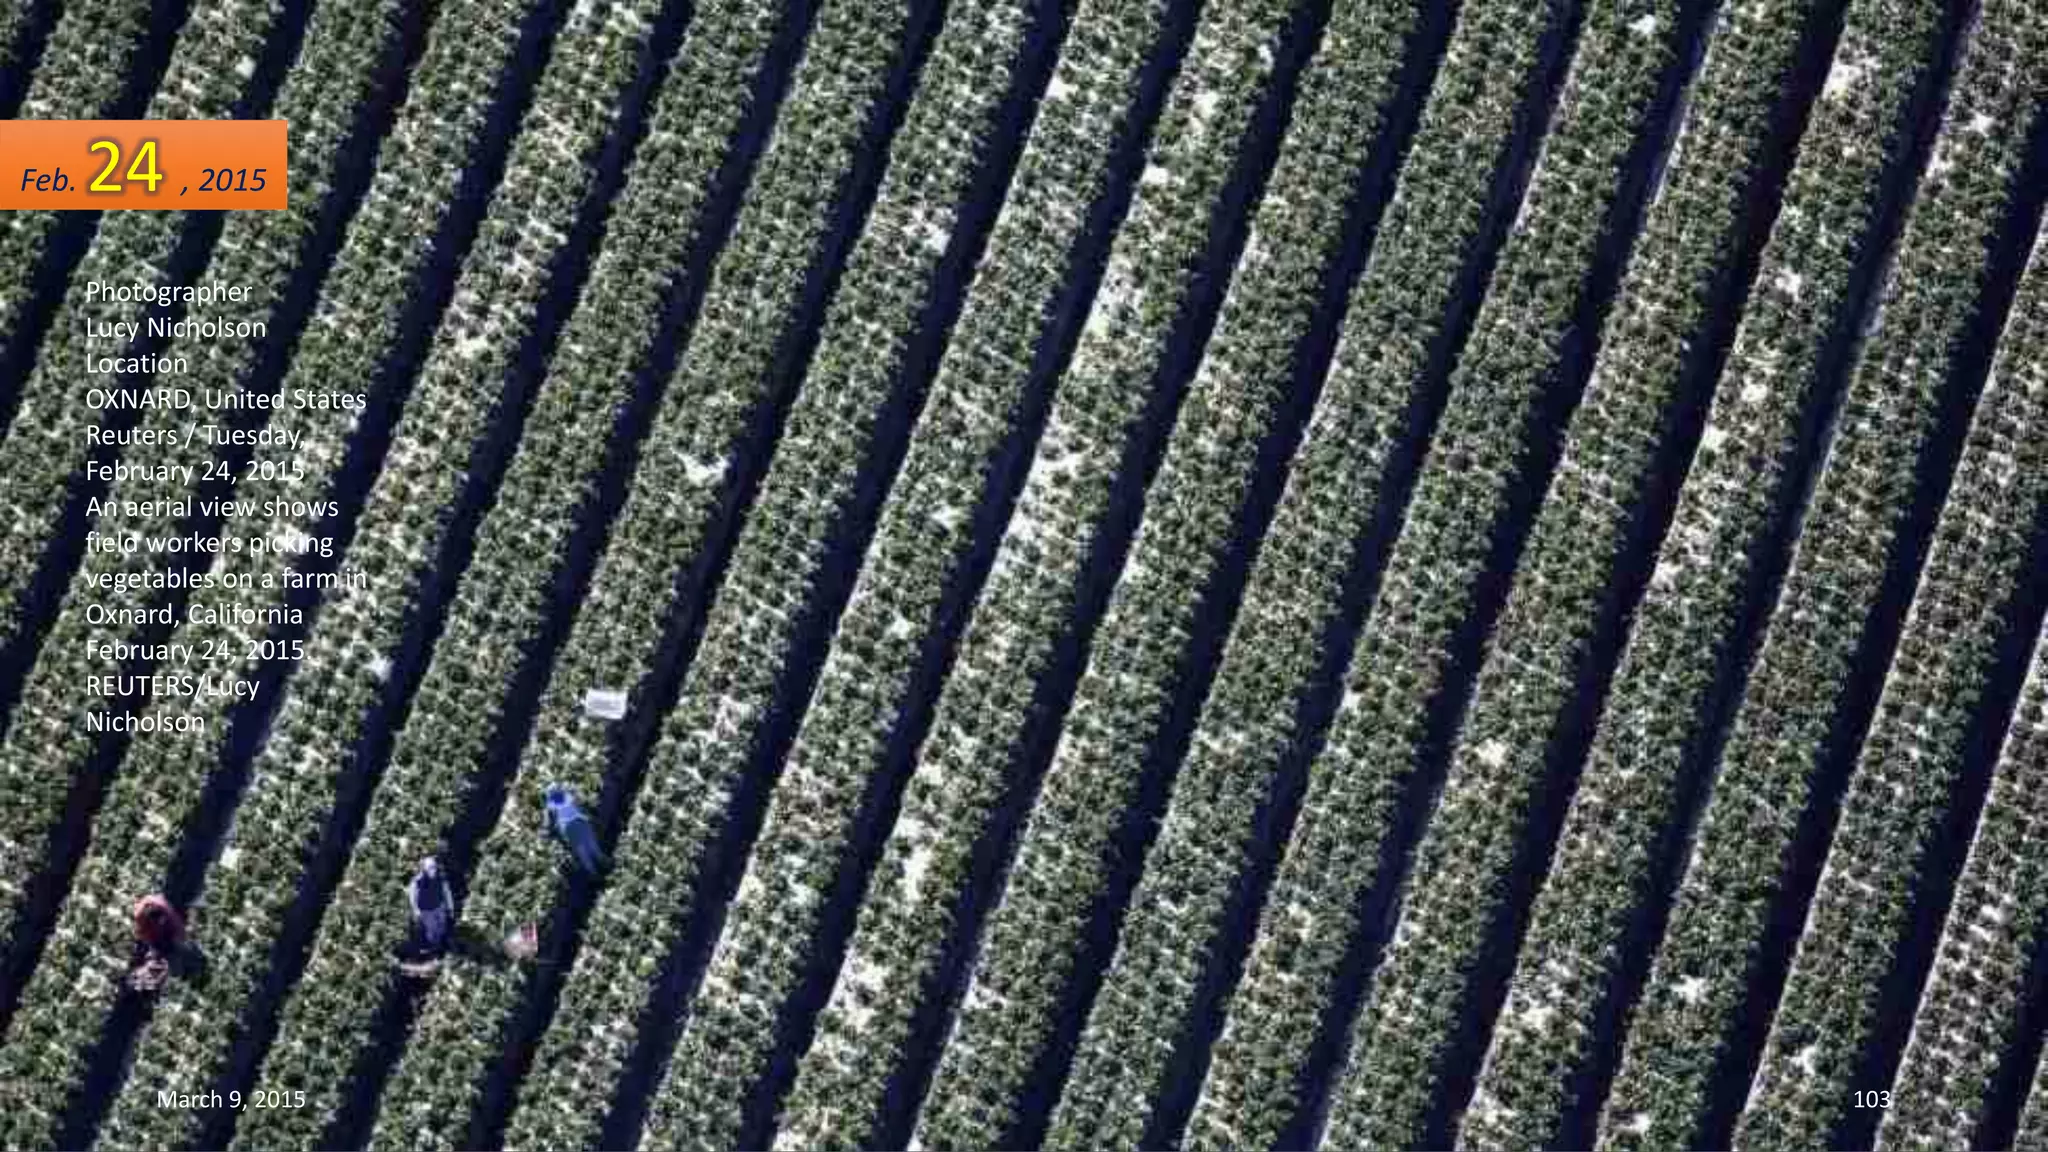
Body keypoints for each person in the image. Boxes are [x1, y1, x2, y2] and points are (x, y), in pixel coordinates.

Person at [543, 784, 606, 875]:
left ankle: (595, 870)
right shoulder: (567, 797)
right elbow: (581, 806)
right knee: (589, 844)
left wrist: (551, 832)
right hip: (577, 824)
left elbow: (549, 823)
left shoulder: (553, 805)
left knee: (584, 849)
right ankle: (600, 865)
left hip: (572, 826)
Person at [407, 856, 455, 955]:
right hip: (426, 910)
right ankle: (436, 949)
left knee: (442, 926)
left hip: (439, 906)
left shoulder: (440, 878)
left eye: (434, 867)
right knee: (432, 930)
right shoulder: (417, 881)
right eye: (430, 867)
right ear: (424, 868)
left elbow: (447, 892)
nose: (433, 869)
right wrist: (416, 911)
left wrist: (450, 907)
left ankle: (440, 946)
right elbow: (412, 896)